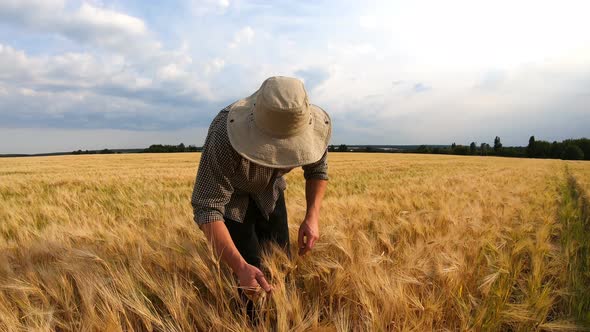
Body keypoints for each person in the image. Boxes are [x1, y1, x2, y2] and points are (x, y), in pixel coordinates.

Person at [191, 76, 332, 305]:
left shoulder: (313, 129)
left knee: (281, 265)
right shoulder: (224, 133)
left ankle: (279, 315)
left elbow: (317, 169)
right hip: (233, 202)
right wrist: (239, 267)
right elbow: (208, 208)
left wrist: (312, 216)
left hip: (272, 194)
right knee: (250, 284)